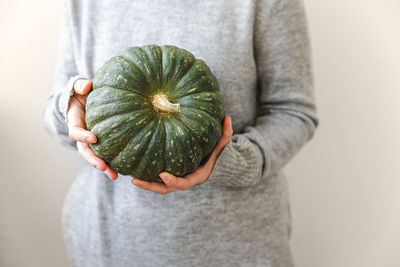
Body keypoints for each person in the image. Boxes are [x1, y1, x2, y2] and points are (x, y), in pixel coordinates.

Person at [42, 0, 318, 266]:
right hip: (107, 240)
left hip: (232, 247)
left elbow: (294, 111)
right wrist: (69, 110)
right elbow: (58, 108)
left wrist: (230, 162)